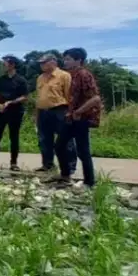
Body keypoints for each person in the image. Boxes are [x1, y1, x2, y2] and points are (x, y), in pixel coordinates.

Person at [56, 47, 102, 188]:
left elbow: (95, 98)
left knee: (83, 151)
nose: (65, 62)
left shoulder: (84, 74)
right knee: (59, 145)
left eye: (68, 59)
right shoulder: (72, 75)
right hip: (71, 118)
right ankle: (65, 175)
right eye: (65, 59)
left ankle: (89, 182)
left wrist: (78, 112)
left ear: (78, 60)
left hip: (81, 119)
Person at [0, 55, 29, 171]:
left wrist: (10, 102)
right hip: (0, 111)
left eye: (5, 64)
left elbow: (24, 97)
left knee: (14, 137)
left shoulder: (21, 80)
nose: (3, 66)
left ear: (12, 65)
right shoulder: (0, 80)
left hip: (15, 112)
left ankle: (14, 163)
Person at [34, 54, 71, 173]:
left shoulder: (64, 76)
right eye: (41, 63)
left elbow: (69, 95)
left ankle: (69, 167)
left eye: (44, 62)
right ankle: (47, 165)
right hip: (43, 111)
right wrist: (36, 115)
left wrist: (70, 112)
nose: (41, 65)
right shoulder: (40, 78)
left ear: (53, 62)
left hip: (59, 110)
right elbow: (39, 97)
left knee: (65, 139)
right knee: (44, 139)